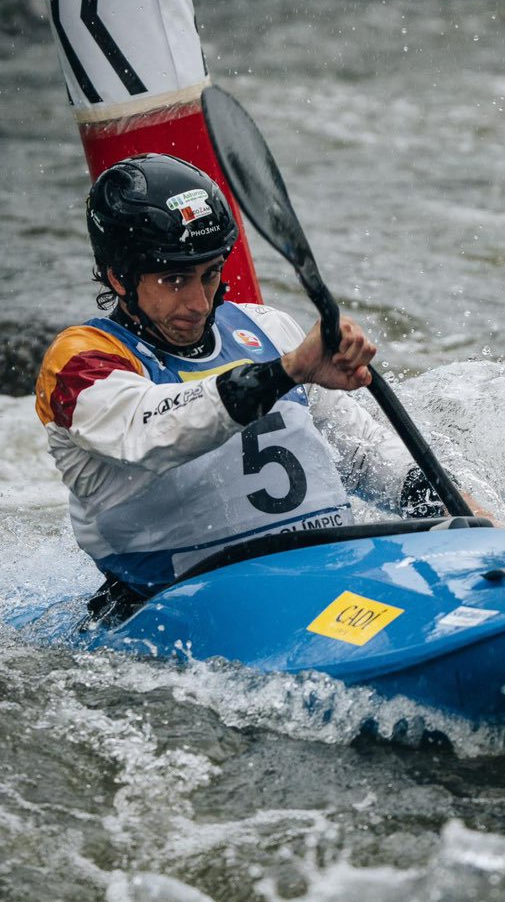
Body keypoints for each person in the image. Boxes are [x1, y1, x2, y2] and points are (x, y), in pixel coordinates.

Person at [35, 153, 481, 620]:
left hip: (330, 573)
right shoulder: (80, 362)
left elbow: (360, 451)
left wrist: (450, 507)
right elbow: (154, 430)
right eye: (174, 280)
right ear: (118, 278)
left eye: (209, 274)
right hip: (183, 606)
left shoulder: (267, 329)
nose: (198, 301)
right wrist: (284, 372)